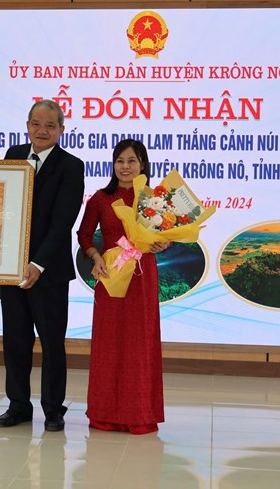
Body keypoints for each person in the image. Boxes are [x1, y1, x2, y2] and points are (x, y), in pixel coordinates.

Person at [0, 99, 85, 432]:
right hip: (10, 268)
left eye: (50, 126)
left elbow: (62, 223)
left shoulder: (71, 166)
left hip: (49, 272)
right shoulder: (13, 155)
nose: (42, 131)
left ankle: (53, 409)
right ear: (27, 125)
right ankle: (18, 405)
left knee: (52, 342)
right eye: (36, 124)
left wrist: (37, 264)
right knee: (15, 340)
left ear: (61, 131)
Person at [76, 139, 167, 434]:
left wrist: (164, 243)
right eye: (120, 161)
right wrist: (95, 256)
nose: (125, 167)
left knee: (140, 344)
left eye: (132, 161)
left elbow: (166, 236)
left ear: (143, 165)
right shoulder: (101, 199)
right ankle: (105, 414)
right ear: (113, 165)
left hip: (143, 276)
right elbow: (85, 236)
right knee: (109, 344)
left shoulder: (153, 199)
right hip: (111, 277)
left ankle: (139, 414)